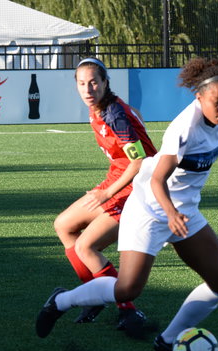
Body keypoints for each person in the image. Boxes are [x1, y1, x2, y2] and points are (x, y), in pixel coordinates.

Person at [36, 57, 218, 349]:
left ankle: (167, 340)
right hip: (149, 210)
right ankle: (61, 301)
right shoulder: (185, 129)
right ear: (199, 97)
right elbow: (157, 180)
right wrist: (170, 213)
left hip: (182, 212)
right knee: (127, 289)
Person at [52, 57, 157, 327]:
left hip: (138, 186)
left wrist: (108, 193)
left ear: (105, 83)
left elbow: (140, 161)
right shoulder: (99, 108)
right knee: (63, 225)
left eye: (94, 83)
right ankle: (94, 296)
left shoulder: (114, 116)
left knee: (86, 246)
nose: (88, 89)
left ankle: (128, 310)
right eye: (82, 83)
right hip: (118, 179)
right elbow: (135, 119)